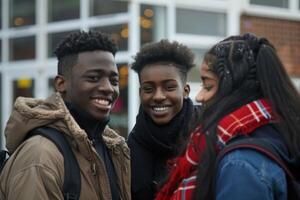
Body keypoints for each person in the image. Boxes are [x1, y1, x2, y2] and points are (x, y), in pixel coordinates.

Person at [155, 33, 300, 200]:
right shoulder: (277, 132)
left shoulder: (240, 165)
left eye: (208, 86)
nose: (199, 97)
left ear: (235, 91)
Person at [0, 31, 131, 200]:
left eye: (114, 81)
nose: (108, 88)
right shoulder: (40, 156)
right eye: (93, 78)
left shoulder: (113, 149)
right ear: (61, 84)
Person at [127, 39, 202, 200]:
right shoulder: (130, 147)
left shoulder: (206, 133)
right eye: (148, 89)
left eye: (169, 87)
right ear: (140, 93)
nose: (158, 96)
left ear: (186, 90)